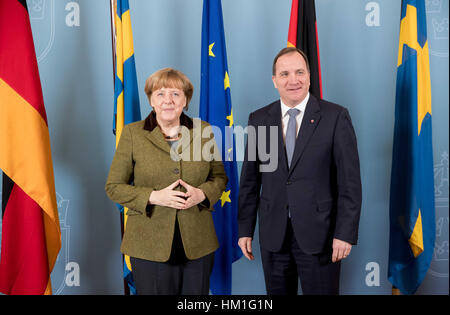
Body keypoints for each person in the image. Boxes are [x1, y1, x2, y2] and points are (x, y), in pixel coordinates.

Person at [238, 47, 362, 295]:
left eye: (299, 72)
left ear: (309, 76)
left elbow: (350, 183)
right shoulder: (259, 119)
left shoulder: (335, 116)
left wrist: (345, 234)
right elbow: (250, 181)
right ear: (274, 81)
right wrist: (244, 230)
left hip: (322, 237)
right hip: (274, 237)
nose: (293, 80)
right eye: (284, 74)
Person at [105, 68, 227, 295]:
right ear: (151, 100)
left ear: (186, 100)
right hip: (149, 245)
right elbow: (114, 187)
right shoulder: (133, 134)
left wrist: (202, 194)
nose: (168, 101)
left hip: (198, 244)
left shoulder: (204, 131)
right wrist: (153, 196)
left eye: (175, 94)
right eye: (160, 94)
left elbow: (219, 177)